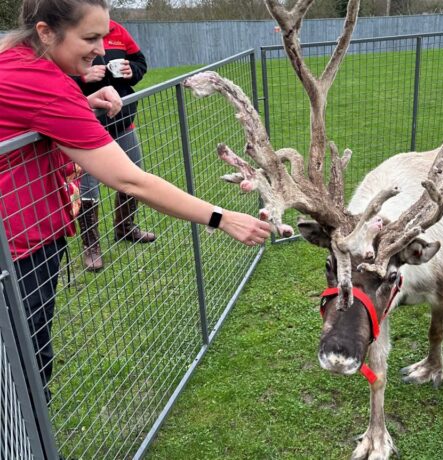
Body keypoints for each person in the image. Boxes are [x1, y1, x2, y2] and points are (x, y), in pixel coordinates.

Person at [0, 0, 271, 403]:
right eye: (90, 38)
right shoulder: (40, 81)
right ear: (45, 32)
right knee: (25, 373)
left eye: (104, 37)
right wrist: (222, 217)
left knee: (27, 362)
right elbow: (130, 180)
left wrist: (81, 100)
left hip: (26, 236)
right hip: (20, 249)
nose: (101, 49)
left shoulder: (16, 60)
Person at [74, 19, 153, 271]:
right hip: (87, 125)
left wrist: (133, 71)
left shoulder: (117, 29)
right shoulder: (70, 30)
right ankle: (90, 245)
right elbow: (55, 78)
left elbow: (140, 62)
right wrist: (82, 77)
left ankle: (126, 227)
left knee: (134, 173)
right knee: (88, 185)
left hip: (123, 121)